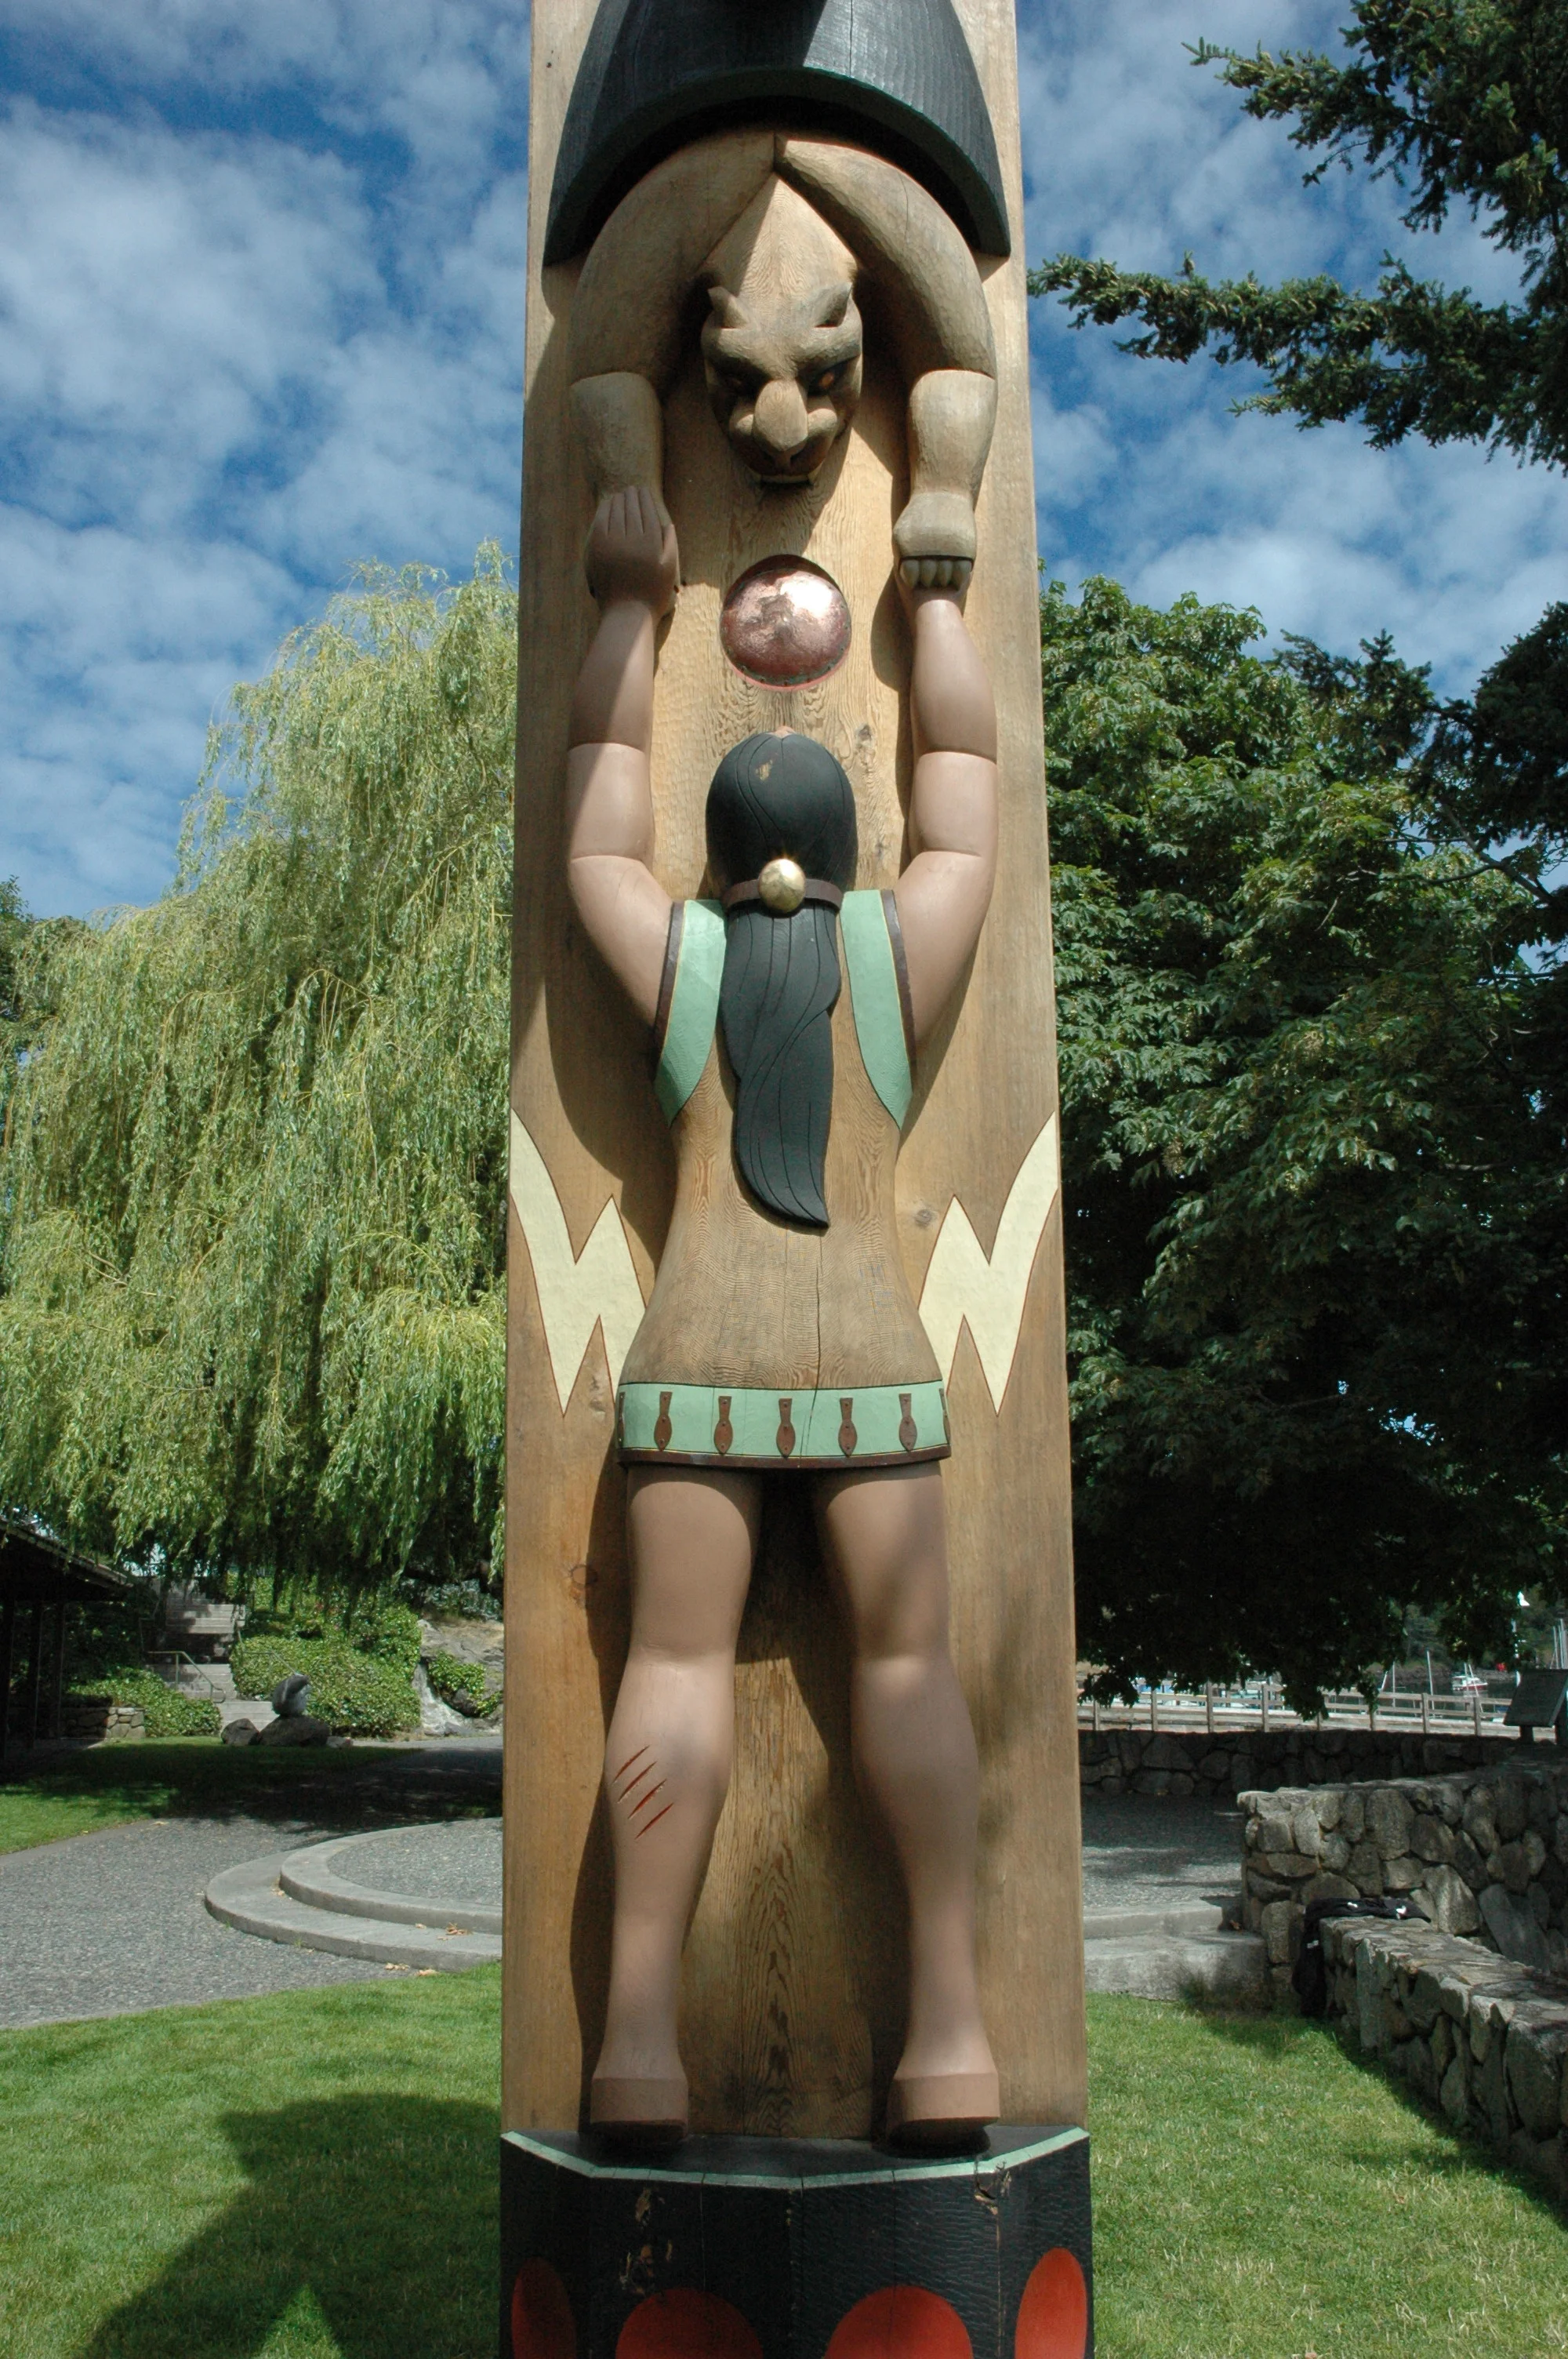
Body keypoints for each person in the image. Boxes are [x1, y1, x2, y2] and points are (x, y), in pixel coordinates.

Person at [565, 485, 999, 2145]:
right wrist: (938, 603)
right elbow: (964, 802)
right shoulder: (893, 953)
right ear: (838, 848)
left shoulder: (681, 959)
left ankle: (636, 2051)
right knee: (909, 1669)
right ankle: (949, 2036)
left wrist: (627, 610)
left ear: (727, 854)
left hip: (697, 1361)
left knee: (669, 1665)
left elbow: (595, 828)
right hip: (873, 1366)